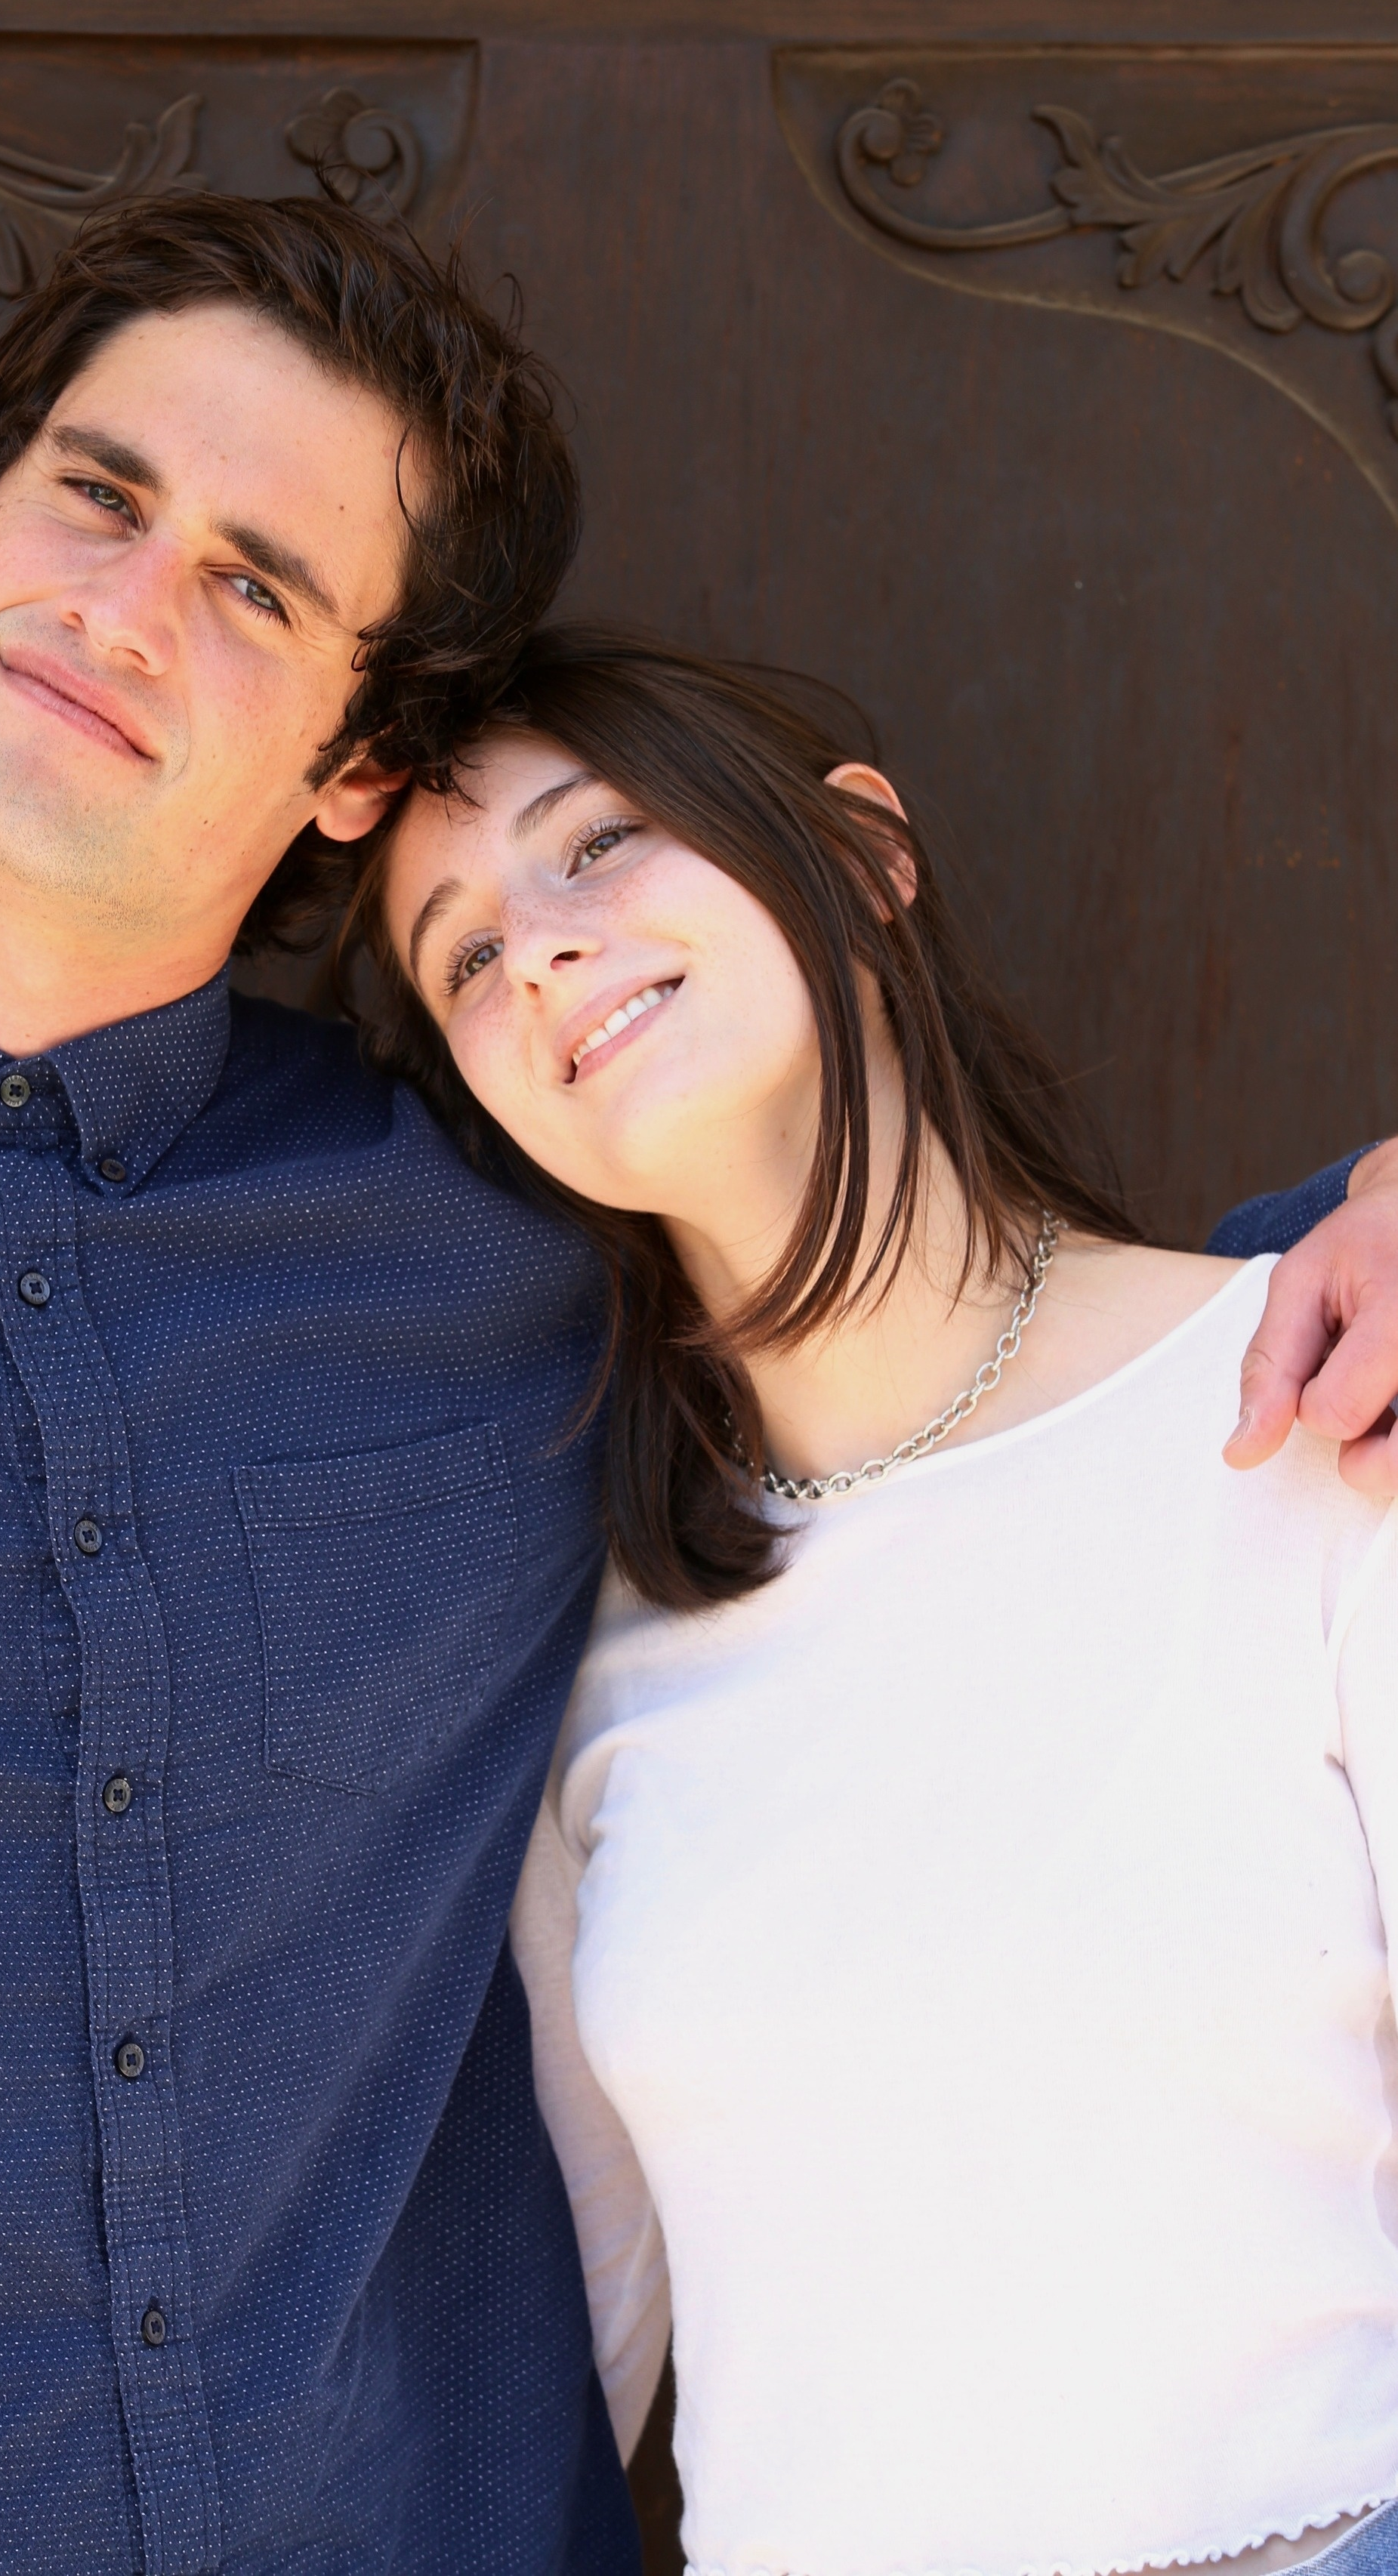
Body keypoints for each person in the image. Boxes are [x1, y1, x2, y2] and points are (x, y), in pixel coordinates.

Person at [0, 196, 1390, 2576]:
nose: (129, 605)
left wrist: (1355, 1222)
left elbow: (998, 1396)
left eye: (261, 585)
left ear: (363, 759)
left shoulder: (511, 1219)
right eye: (97, 494)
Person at [355, 622, 1398, 2576]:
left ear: (860, 860)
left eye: (595, 846)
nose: (545, 947)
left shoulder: (1322, 1404)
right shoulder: (579, 1650)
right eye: (468, 955)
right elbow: (556, 2350)